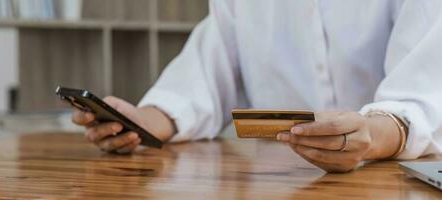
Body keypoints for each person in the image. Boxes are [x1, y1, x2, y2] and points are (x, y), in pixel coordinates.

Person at [72, 1, 442, 173]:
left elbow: (419, 100)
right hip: (279, 184)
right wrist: (139, 123)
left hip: (393, 179)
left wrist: (369, 139)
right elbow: (199, 82)